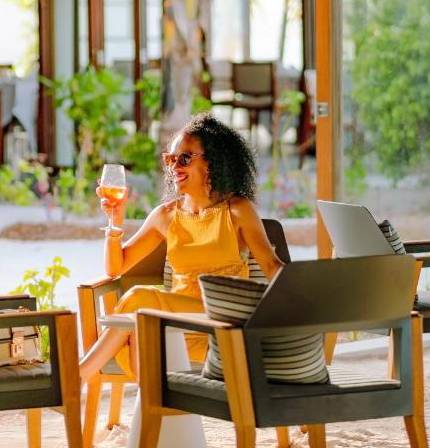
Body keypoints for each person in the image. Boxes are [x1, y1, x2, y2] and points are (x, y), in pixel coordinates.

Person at [78, 112, 285, 382]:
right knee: (141, 319)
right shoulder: (165, 216)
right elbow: (116, 268)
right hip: (176, 329)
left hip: (222, 322)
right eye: (170, 159)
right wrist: (115, 221)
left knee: (140, 300)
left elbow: (271, 266)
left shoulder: (237, 210)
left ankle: (75, 379)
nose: (174, 166)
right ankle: (149, 400)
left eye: (185, 158)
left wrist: (295, 311)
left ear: (213, 162)